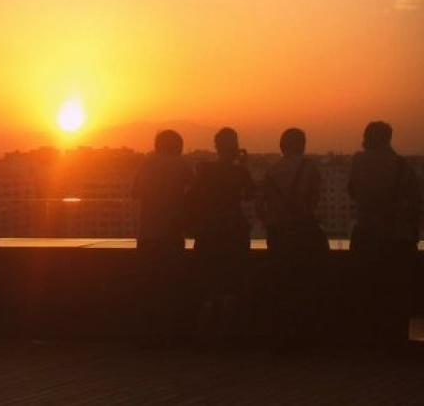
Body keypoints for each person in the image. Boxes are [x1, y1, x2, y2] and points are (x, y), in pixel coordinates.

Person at [347, 121, 420, 348]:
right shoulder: (401, 166)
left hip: (366, 234)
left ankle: (366, 340)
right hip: (394, 237)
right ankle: (394, 341)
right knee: (393, 293)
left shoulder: (358, 161)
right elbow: (414, 204)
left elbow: (353, 191)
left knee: (365, 292)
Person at [258, 128, 329, 351]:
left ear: (281, 146)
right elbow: (315, 199)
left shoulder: (271, 171)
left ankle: (282, 338)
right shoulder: (309, 169)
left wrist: (270, 222)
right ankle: (305, 338)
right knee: (305, 286)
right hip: (303, 233)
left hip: (278, 235)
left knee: (281, 287)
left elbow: (260, 206)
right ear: (303, 144)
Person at [187, 127, 256, 343]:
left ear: (216, 146)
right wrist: (243, 167)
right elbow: (250, 195)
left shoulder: (204, 169)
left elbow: (193, 196)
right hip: (233, 231)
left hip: (208, 231)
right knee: (231, 282)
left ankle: (205, 333)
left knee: (207, 282)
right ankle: (228, 333)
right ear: (235, 147)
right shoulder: (239, 172)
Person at [132, 130, 192, 345]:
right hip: (171, 233)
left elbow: (134, 192)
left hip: (148, 233)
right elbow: (193, 191)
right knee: (170, 287)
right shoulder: (181, 165)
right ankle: (170, 334)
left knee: (147, 286)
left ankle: (147, 335)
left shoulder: (147, 164)